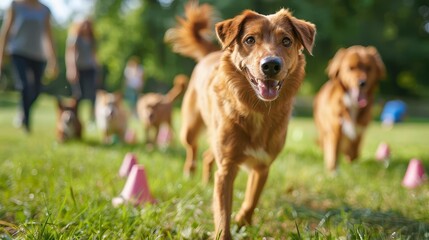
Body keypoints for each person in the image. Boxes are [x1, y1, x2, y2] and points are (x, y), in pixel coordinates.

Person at [0, 0, 58, 133]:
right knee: (25, 85)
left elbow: (49, 35)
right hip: (18, 51)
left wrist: (53, 60)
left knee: (37, 89)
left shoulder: (45, 10)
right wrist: (1, 57)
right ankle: (26, 123)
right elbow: (6, 31)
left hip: (39, 54)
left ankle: (22, 111)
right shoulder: (16, 5)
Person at [65, 18, 98, 122]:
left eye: (88, 25)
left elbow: (94, 55)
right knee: (78, 95)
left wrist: (98, 70)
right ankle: (75, 117)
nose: (86, 27)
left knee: (93, 94)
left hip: (90, 69)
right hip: (79, 69)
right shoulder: (75, 37)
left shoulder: (92, 39)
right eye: (84, 24)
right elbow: (70, 53)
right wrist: (71, 69)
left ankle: (92, 118)